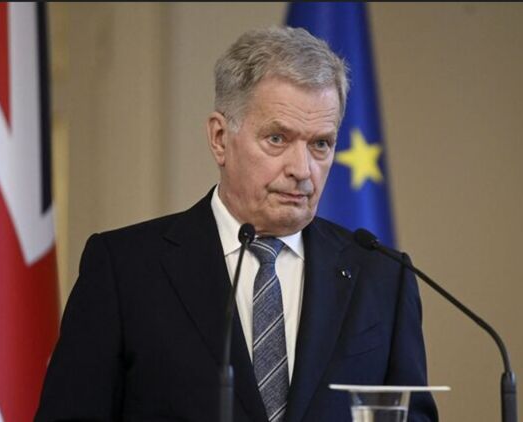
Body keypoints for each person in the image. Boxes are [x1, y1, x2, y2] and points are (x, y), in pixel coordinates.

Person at [35, 26, 437, 422]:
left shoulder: (383, 277)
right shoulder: (124, 269)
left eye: (320, 144)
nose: (302, 170)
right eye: (277, 139)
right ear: (220, 138)